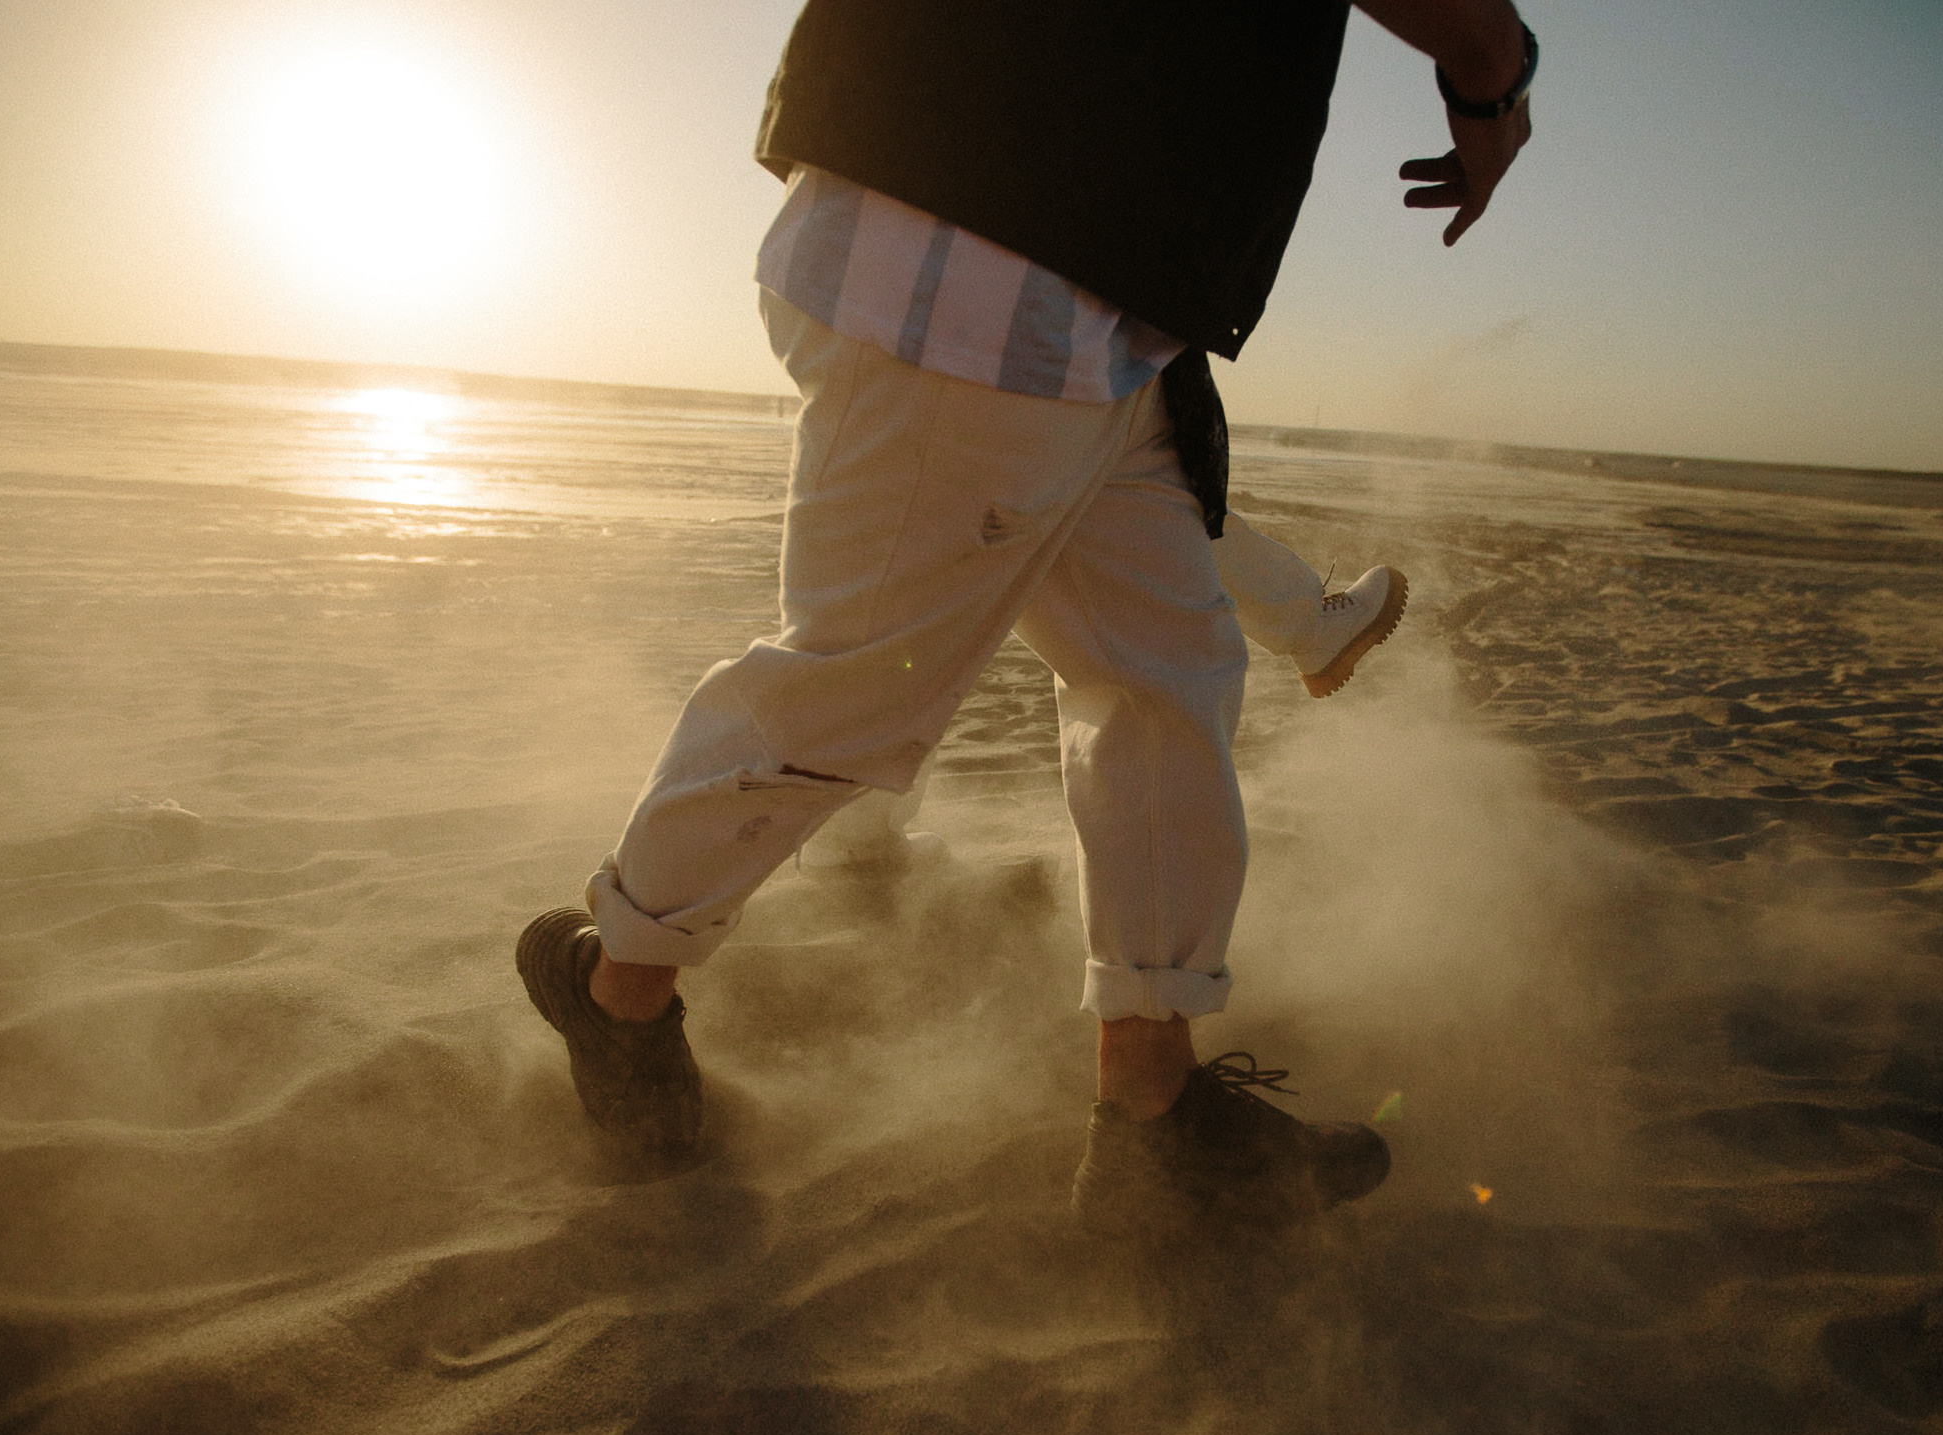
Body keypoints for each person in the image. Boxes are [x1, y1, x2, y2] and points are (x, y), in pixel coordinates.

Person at [518, 0, 1536, 1228]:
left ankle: (1154, 1115)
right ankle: (616, 991)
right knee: (855, 691)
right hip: (976, 264)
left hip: (1102, 305)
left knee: (1166, 686)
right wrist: (1492, 71)